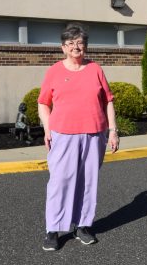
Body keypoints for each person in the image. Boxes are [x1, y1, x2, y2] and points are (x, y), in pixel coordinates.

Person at [37, 23, 119, 251]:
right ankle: (53, 229)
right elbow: (43, 103)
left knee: (88, 182)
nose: (76, 47)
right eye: (71, 43)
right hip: (62, 134)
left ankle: (82, 226)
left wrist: (113, 130)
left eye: (80, 43)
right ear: (63, 47)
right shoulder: (54, 71)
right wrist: (47, 129)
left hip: (94, 134)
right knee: (59, 181)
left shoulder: (95, 69)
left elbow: (108, 101)